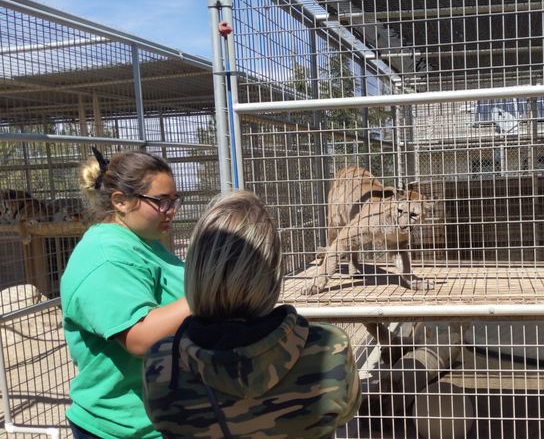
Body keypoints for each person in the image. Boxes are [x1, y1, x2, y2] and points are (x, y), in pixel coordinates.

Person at [143, 190, 361, 439]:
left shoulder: (162, 363)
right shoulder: (330, 347)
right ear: (273, 270)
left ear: (197, 268)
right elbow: (347, 411)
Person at [61, 147, 190, 438]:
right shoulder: (105, 256)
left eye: (174, 200)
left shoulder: (144, 240)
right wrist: (206, 294)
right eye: (161, 202)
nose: (171, 211)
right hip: (121, 428)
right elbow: (140, 338)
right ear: (120, 201)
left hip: (159, 418)